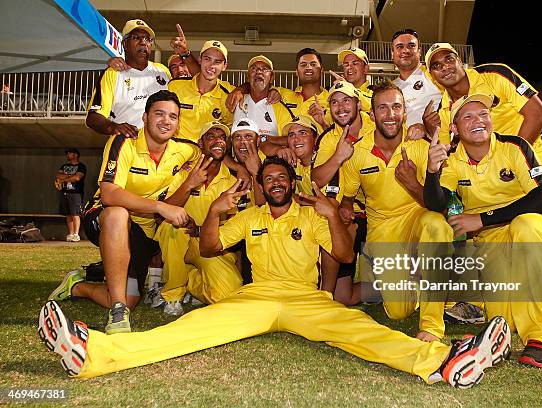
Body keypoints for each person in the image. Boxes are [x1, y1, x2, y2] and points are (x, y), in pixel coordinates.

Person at [39, 157, 511, 389]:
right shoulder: (251, 217)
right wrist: (217, 212)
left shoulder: (311, 214)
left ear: (291, 182)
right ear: (262, 186)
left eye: (283, 176)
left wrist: (329, 214)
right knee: (192, 330)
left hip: (308, 300)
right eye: (269, 179)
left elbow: (345, 256)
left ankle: (442, 363)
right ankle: (94, 354)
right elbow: (207, 246)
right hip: (257, 297)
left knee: (359, 330)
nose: (277, 182)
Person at [424, 42, 542, 328]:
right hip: (489, 167)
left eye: (449, 59)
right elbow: (451, 152)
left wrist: (509, 157)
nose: (445, 67)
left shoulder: (495, 74)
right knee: (479, 229)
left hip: (529, 154)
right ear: (432, 75)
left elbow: (538, 113)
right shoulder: (444, 111)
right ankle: (478, 301)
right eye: (437, 65)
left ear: (460, 61)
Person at [424, 93, 542, 368]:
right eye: (468, 116)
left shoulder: (515, 146)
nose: (478, 120)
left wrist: (482, 218)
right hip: (492, 240)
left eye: (483, 114)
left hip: (527, 228)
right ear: (454, 128)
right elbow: (436, 202)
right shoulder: (453, 159)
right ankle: (505, 326)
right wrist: (432, 171)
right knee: (503, 323)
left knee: (527, 224)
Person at [47, 90, 199, 334]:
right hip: (106, 217)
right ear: (146, 117)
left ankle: (79, 284)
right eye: (159, 114)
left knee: (132, 298)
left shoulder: (185, 150)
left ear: (178, 123)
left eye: (173, 116)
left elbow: (215, 152)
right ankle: (118, 312)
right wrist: (161, 206)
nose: (166, 121)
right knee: (119, 213)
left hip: (143, 231)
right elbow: (109, 193)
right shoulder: (123, 142)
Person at [340, 81, 454, 342]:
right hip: (383, 231)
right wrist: (345, 209)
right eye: (383, 108)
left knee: (436, 225)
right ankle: (418, 276)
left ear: (404, 112)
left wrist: (413, 183)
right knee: (398, 312)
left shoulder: (421, 147)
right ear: (371, 114)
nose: (390, 115)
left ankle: (432, 326)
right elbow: (347, 199)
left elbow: (438, 205)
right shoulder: (357, 153)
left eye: (396, 107)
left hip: (417, 218)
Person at [153, 122, 245, 316]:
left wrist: (201, 230)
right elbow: (162, 214)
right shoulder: (183, 173)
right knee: (173, 228)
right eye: (211, 136)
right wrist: (189, 185)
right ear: (201, 144)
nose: (218, 140)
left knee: (228, 294)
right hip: (181, 238)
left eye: (222, 137)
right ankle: (173, 295)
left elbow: (233, 228)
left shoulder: (231, 182)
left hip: (208, 245)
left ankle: (192, 281)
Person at [311, 81, 376, 305]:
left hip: (383, 212)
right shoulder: (330, 137)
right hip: (350, 213)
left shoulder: (377, 126)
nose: (341, 107)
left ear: (358, 103)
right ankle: (326, 297)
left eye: (346, 100)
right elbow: (316, 180)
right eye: (335, 102)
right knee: (342, 298)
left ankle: (401, 282)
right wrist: (338, 156)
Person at [86, 19, 170, 138]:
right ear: (125, 44)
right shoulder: (113, 73)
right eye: (136, 37)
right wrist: (114, 127)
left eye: (147, 39)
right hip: (127, 147)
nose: (143, 42)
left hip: (160, 150)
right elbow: (93, 118)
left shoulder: (163, 71)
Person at [167, 40, 235, 141]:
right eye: (207, 59)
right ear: (200, 60)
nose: (211, 65)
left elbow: (229, 131)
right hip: (177, 152)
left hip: (207, 155)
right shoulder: (175, 86)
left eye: (217, 62)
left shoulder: (229, 94)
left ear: (224, 66)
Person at [232, 55, 296, 140]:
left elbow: (291, 138)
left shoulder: (280, 105)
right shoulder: (237, 101)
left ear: (271, 78)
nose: (258, 72)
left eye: (264, 69)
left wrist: (263, 139)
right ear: (247, 77)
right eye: (253, 69)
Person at [391, 28, 442, 127]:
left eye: (411, 46)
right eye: (399, 47)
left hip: (434, 141)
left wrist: (426, 128)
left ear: (419, 51)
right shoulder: (390, 87)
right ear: (392, 54)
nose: (405, 50)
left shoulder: (434, 74)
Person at [56, 148, 87, 242]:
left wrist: (64, 179)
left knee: (75, 213)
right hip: (64, 192)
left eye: (69, 153)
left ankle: (76, 234)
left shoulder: (81, 166)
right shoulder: (64, 166)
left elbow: (77, 178)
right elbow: (58, 176)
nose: (67, 155)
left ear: (75, 155)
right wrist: (70, 176)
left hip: (75, 193)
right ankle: (70, 233)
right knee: (68, 214)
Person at [334, 47, 373, 112]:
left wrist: (347, 88)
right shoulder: (335, 92)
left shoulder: (377, 91)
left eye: (355, 63)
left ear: (366, 68)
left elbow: (373, 105)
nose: (349, 67)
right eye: (346, 64)